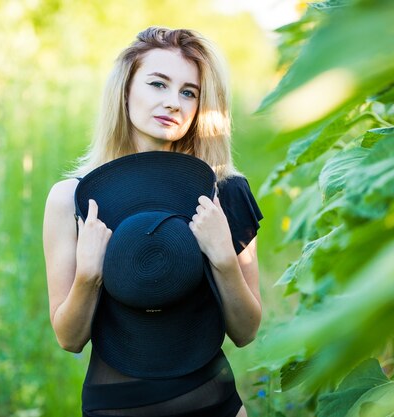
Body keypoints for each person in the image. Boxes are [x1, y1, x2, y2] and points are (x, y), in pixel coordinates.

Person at [43, 26, 263, 417]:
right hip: (114, 406)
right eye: (158, 84)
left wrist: (224, 258)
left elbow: (245, 333)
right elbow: (69, 339)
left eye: (188, 92)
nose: (173, 103)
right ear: (125, 89)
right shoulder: (71, 198)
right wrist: (88, 275)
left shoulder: (225, 191)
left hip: (214, 403)